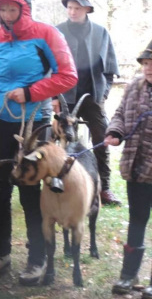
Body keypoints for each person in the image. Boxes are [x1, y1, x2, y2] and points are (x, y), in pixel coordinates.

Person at [0, 0, 77, 285]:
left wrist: (30, 92)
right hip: (0, 123)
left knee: (31, 193)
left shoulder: (46, 34)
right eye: (2, 8)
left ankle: (38, 258)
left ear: (24, 7)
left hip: (35, 123)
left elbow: (68, 75)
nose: (7, 13)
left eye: (12, 7)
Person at [55, 0, 121, 206]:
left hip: (92, 96)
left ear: (86, 9)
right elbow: (49, 67)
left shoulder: (101, 33)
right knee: (56, 138)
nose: (72, 11)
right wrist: (54, 97)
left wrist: (103, 95)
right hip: (65, 97)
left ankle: (105, 188)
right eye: (70, 7)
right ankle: (57, 181)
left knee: (103, 136)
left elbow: (110, 69)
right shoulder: (57, 32)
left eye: (76, 8)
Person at [105, 42, 152, 296]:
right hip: (137, 168)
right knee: (136, 222)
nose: (148, 68)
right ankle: (127, 276)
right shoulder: (134, 86)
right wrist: (115, 132)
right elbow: (121, 114)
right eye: (145, 63)